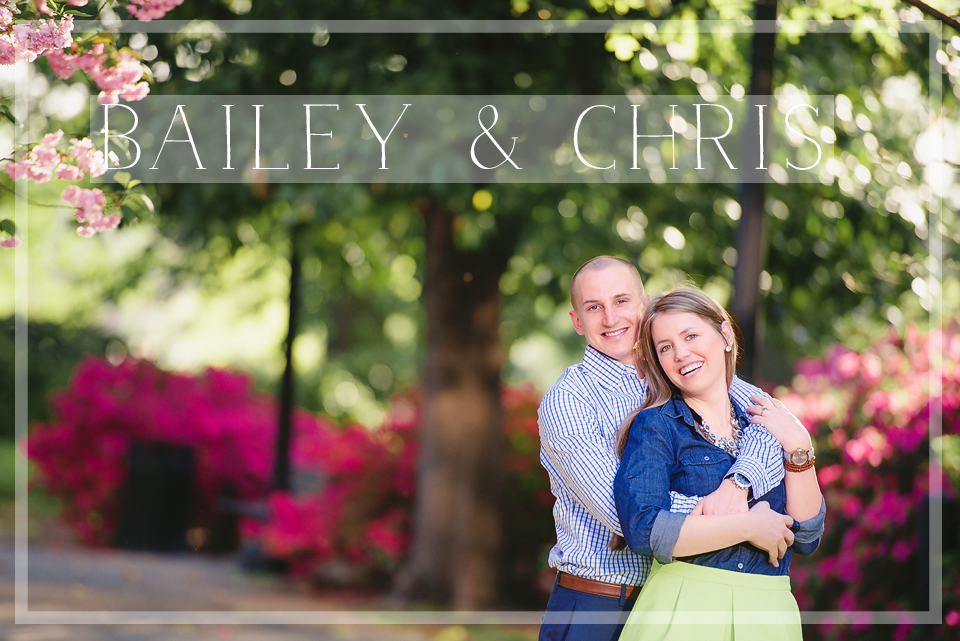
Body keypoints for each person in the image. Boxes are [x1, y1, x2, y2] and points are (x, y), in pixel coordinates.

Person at [538, 257, 788, 641]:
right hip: (602, 605)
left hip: (680, 601)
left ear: (644, 304)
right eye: (594, 307)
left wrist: (737, 484)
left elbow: (771, 424)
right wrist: (746, 522)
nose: (610, 318)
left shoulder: (678, 369)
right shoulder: (569, 401)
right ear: (577, 321)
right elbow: (630, 515)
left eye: (622, 301)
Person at [613, 286, 825, 641]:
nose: (681, 354)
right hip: (684, 611)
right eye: (666, 347)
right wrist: (748, 526)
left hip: (768, 613)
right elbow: (644, 529)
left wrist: (799, 445)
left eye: (691, 335)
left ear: (725, 333)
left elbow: (805, 536)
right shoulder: (657, 426)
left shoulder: (765, 424)